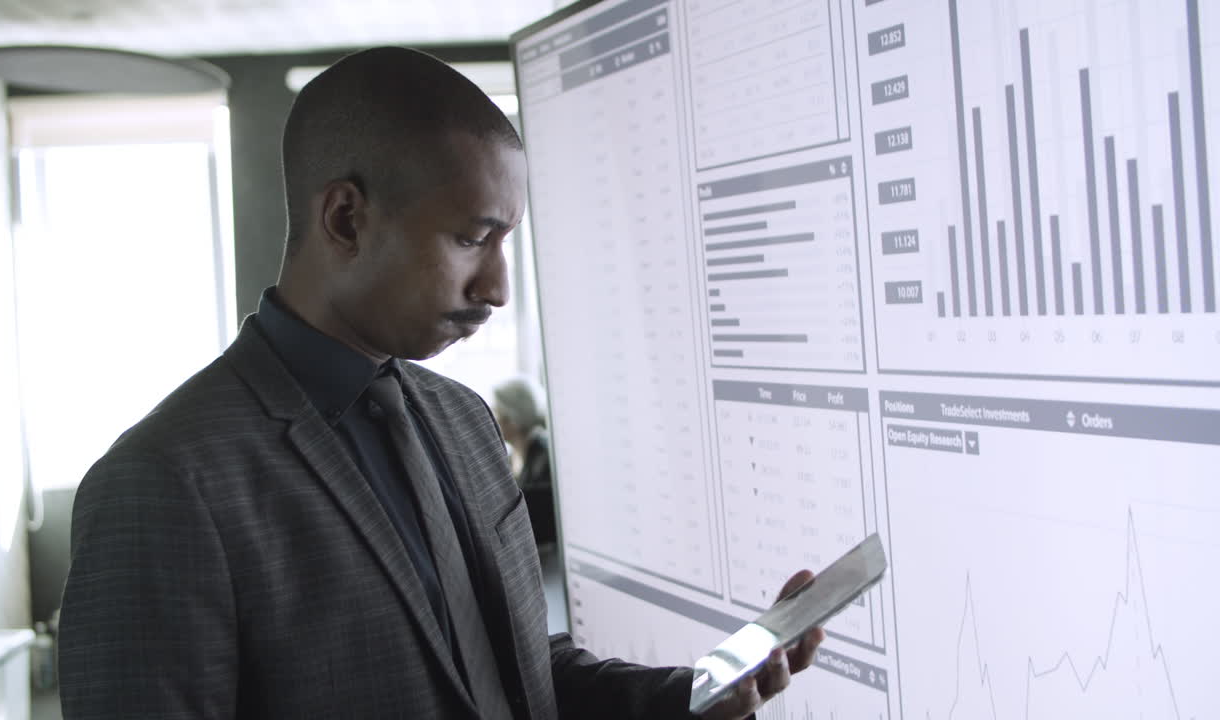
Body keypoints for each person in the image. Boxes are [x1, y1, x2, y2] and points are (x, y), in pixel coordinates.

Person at [57, 46, 823, 720]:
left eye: (506, 241)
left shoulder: (462, 420)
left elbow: (517, 674)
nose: (497, 287)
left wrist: (694, 696)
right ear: (347, 219)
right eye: (471, 238)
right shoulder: (159, 484)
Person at [492, 376, 556, 547]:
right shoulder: (511, 456)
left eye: (496, 413)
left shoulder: (545, 455)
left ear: (512, 419)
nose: (491, 419)